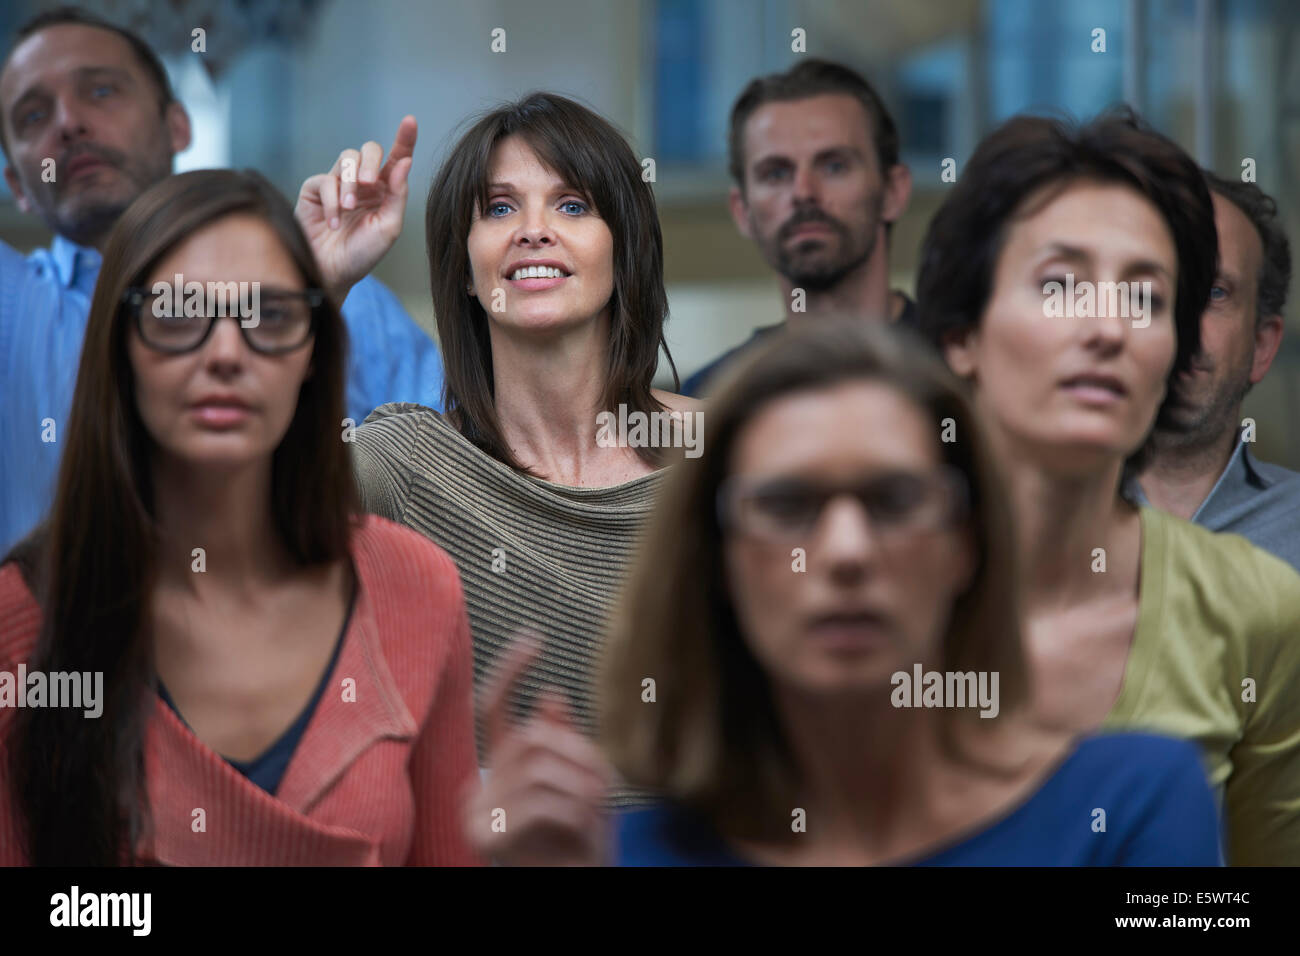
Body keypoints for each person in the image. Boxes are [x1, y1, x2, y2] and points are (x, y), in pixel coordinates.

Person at [468, 321, 1222, 866]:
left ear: (965, 544)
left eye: (895, 501)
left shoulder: (1139, 800)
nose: (847, 552)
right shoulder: (627, 854)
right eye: (788, 507)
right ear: (718, 560)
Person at [0, 169, 479, 866]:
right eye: (177, 315)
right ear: (118, 347)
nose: (226, 353)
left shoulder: (416, 586)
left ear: (314, 353)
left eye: (268, 316)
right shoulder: (22, 620)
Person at [914, 108, 1300, 865]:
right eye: (1058, 285)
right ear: (962, 334)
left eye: (1146, 297)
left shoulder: (1256, 605)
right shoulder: (842, 566)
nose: (1108, 327)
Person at [300, 92, 698, 801]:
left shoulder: (719, 453)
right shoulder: (403, 464)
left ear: (625, 251)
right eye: (500, 208)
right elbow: (238, 515)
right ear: (465, 268)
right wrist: (312, 287)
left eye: (572, 205)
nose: (534, 231)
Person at [0, 6, 445, 555]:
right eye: (32, 115)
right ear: (16, 183)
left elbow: (447, 484)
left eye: (101, 92)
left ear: (178, 125)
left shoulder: (349, 300)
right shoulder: (13, 307)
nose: (67, 123)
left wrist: (308, 291)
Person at [682, 58, 915, 397]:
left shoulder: (971, 367)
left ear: (893, 192)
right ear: (742, 211)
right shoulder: (712, 398)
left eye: (834, 166)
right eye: (776, 173)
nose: (804, 192)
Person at [1126, 173, 1300, 574]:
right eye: (1150, 291)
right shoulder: (1031, 523)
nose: (1181, 324)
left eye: (1215, 293)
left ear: (1262, 346)